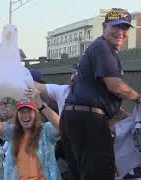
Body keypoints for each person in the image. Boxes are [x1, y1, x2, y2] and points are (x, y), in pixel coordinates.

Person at [60, 8, 141, 180]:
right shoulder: (102, 48)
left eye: (125, 28)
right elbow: (115, 86)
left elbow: (94, 90)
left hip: (76, 118)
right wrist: (139, 97)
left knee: (81, 174)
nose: (120, 32)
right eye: (116, 26)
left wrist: (117, 112)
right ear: (104, 26)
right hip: (88, 122)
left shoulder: (99, 50)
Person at [0, 77, 61, 180]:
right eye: (22, 112)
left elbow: (62, 127)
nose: (25, 116)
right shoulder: (13, 132)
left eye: (29, 112)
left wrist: (41, 105)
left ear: (36, 114)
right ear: (17, 115)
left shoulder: (45, 130)